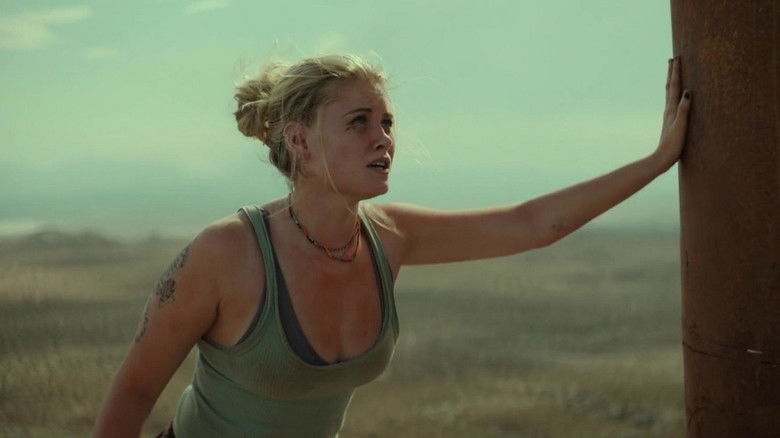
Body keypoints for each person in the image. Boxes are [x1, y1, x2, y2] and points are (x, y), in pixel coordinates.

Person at [92, 53, 691, 437]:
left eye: (387, 123)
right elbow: (134, 391)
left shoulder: (389, 237)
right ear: (299, 141)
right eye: (359, 122)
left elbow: (532, 223)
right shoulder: (227, 253)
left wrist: (658, 160)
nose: (383, 138)